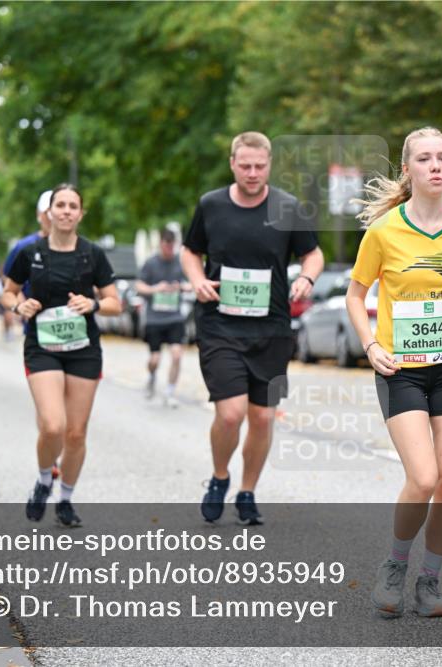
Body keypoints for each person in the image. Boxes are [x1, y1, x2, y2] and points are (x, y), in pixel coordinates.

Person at [345, 127, 442, 618]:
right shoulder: (384, 231)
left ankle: (429, 582)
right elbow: (355, 296)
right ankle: (394, 565)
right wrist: (370, 344)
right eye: (425, 159)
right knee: (424, 476)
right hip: (401, 369)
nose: (436, 166)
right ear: (408, 170)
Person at [181, 131, 323, 526]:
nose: (252, 173)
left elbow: (313, 254)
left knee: (262, 418)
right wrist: (197, 279)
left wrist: (307, 278)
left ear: (269, 165)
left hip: (272, 329)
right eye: (245, 165)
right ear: (232, 164)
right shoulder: (211, 205)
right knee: (231, 414)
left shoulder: (287, 207)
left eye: (260, 166)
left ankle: (247, 491)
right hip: (219, 325)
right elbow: (190, 251)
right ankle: (219, 477)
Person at [1, 184, 120, 528]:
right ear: (49, 212)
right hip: (42, 347)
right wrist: (19, 306)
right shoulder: (30, 253)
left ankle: (65, 500)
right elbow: (7, 292)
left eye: (73, 206)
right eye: (61, 205)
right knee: (54, 425)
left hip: (83, 350)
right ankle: (44, 481)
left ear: (80, 214)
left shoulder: (92, 254)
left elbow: (115, 303)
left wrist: (93, 304)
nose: (66, 211)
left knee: (76, 434)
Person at [137, 228, 191, 407]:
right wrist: (156, 289)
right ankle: (152, 376)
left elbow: (192, 283)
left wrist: (181, 287)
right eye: (166, 245)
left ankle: (170, 392)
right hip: (154, 319)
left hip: (175, 318)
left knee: (176, 355)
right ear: (160, 244)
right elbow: (139, 286)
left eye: (171, 246)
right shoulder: (151, 263)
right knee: (155, 359)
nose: (168, 249)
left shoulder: (180, 262)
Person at [3, 190, 54, 342]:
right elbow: (7, 280)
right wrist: (21, 304)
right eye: (47, 213)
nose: (51, 217)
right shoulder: (25, 246)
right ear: (39, 215)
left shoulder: (79, 247)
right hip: (36, 323)